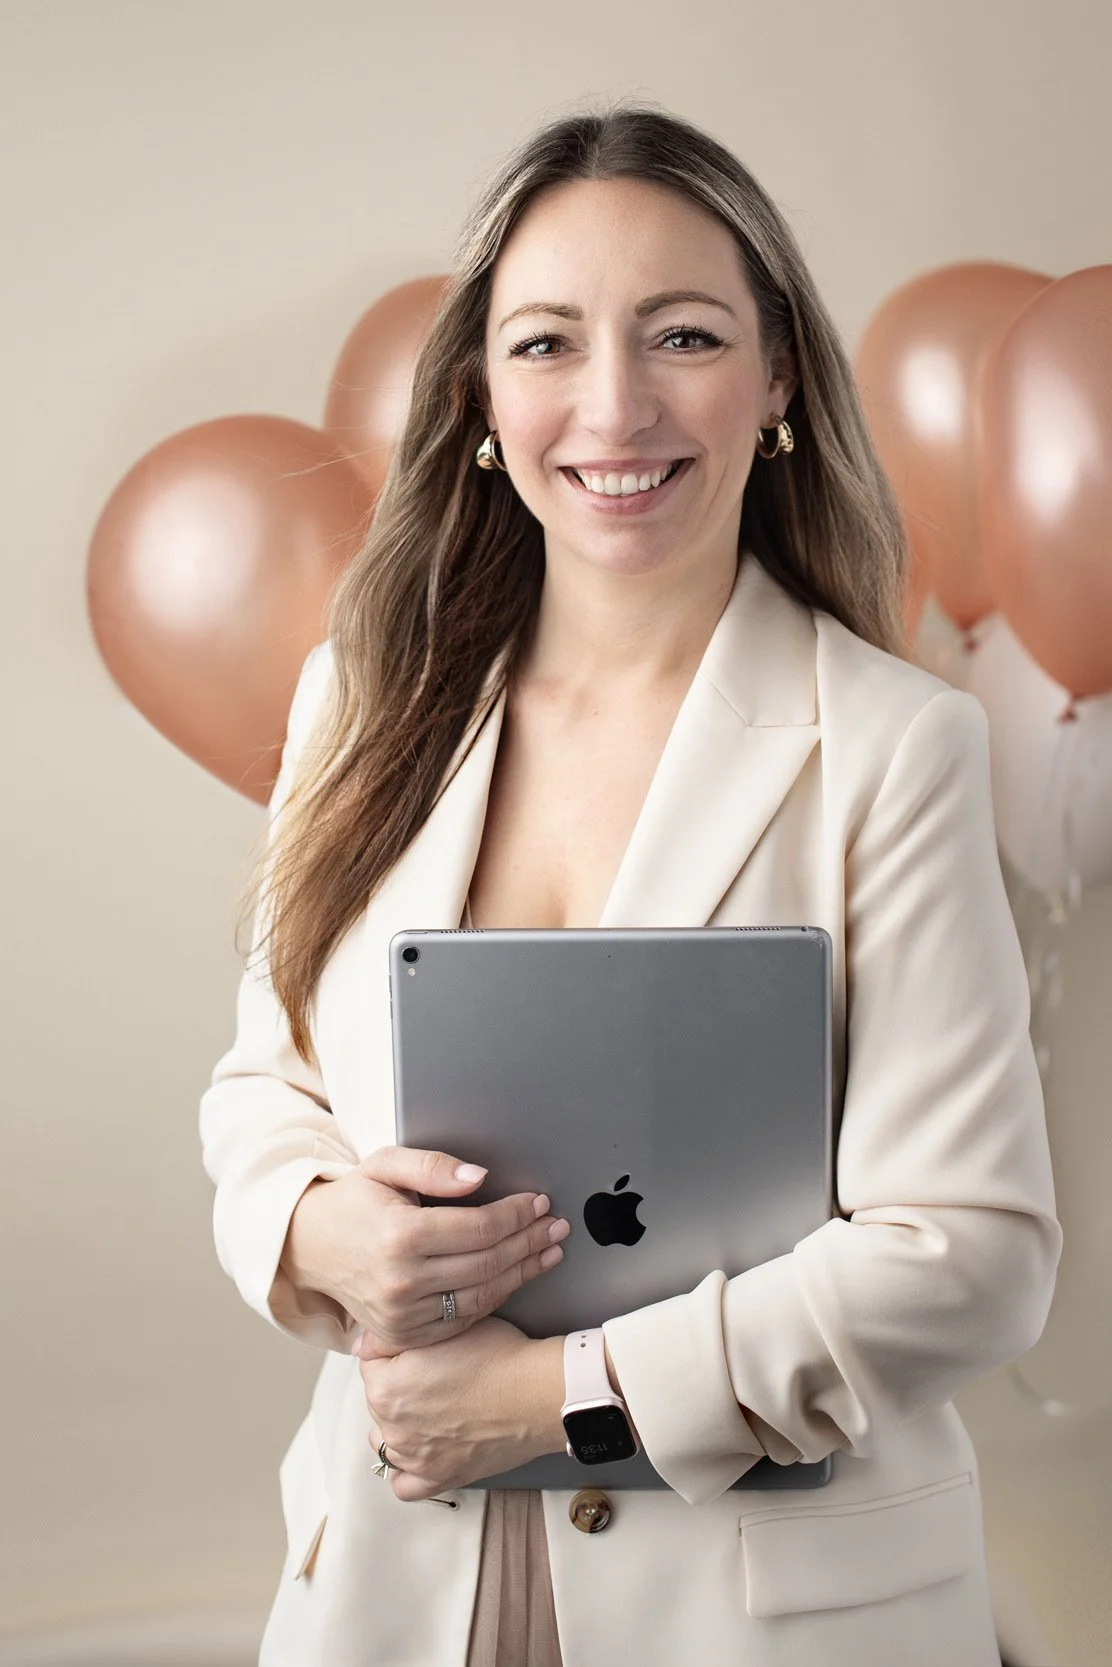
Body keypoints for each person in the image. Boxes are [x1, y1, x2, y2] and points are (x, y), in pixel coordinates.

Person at [198, 102, 1062, 1667]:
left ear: (779, 374)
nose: (613, 405)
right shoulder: (360, 701)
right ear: (474, 392)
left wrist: (553, 1398)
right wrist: (315, 1226)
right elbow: (263, 1087)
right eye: (544, 343)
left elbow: (976, 1255)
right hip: (394, 1581)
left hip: (762, 1607)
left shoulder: (894, 747)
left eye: (682, 334)